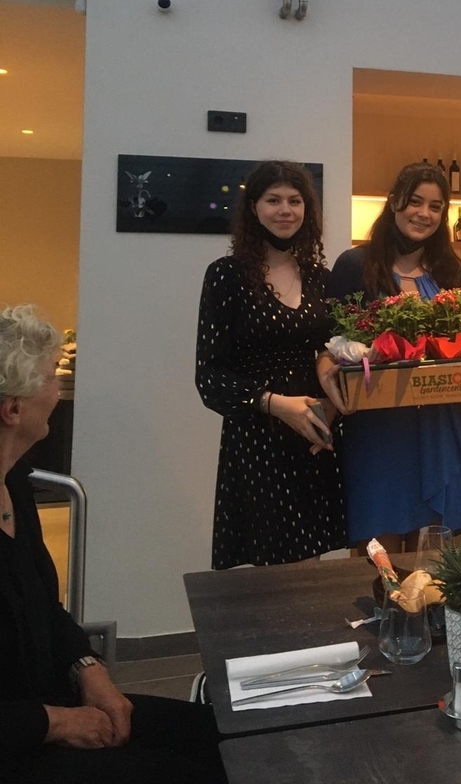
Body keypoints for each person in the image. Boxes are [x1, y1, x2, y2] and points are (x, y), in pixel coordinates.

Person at [0, 304, 226, 784]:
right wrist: (56, 723)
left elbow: (45, 608)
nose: (58, 390)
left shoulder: (14, 481)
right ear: (13, 409)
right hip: (19, 743)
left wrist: (89, 669)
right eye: (50, 378)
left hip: (53, 704)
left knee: (224, 738)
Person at [196, 160, 345, 569]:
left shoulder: (320, 277)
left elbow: (334, 350)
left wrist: (332, 406)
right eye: (273, 200)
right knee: (273, 572)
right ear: (253, 208)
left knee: (312, 566)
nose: (285, 210)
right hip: (257, 437)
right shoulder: (226, 276)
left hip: (313, 432)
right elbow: (209, 376)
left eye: (295, 201)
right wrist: (276, 404)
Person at [318, 161, 461, 555]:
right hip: (378, 430)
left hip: (439, 424)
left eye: (435, 207)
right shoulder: (355, 265)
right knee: (378, 551)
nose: (424, 214)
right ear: (393, 202)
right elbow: (329, 342)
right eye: (415, 201)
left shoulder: (452, 271)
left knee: (431, 557)